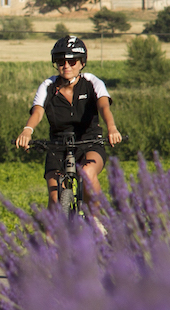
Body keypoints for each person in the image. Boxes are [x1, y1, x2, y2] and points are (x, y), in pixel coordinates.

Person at [14, 34, 121, 206]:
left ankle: (96, 220)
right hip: (58, 146)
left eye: (72, 62)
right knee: (55, 197)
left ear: (82, 63)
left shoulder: (92, 82)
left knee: (87, 173)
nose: (66, 66)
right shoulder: (48, 86)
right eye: (61, 62)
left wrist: (112, 128)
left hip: (89, 142)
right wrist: (27, 130)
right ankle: (54, 232)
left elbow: (104, 106)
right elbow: (38, 112)